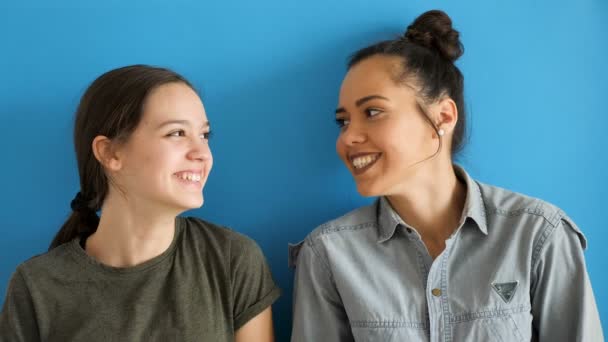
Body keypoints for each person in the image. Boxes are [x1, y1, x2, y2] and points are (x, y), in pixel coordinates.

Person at [290, 10, 603, 342]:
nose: (348, 138)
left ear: (442, 116)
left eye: (373, 112)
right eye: (343, 121)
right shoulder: (327, 254)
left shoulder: (538, 236)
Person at [0, 65, 280, 341]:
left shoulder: (233, 260)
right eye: (177, 133)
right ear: (110, 152)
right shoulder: (36, 286)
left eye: (204, 135)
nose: (202, 153)